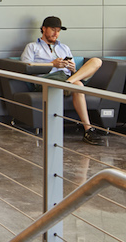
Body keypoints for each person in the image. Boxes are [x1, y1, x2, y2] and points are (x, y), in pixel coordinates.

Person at [21, 16, 105, 145]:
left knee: (96, 61)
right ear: (44, 29)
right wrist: (52, 64)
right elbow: (27, 67)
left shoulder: (64, 47)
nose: (56, 33)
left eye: (58, 30)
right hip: (47, 80)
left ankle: (70, 82)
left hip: (67, 78)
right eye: (53, 29)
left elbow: (71, 66)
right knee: (78, 84)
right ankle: (88, 130)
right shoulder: (32, 47)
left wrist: (72, 68)